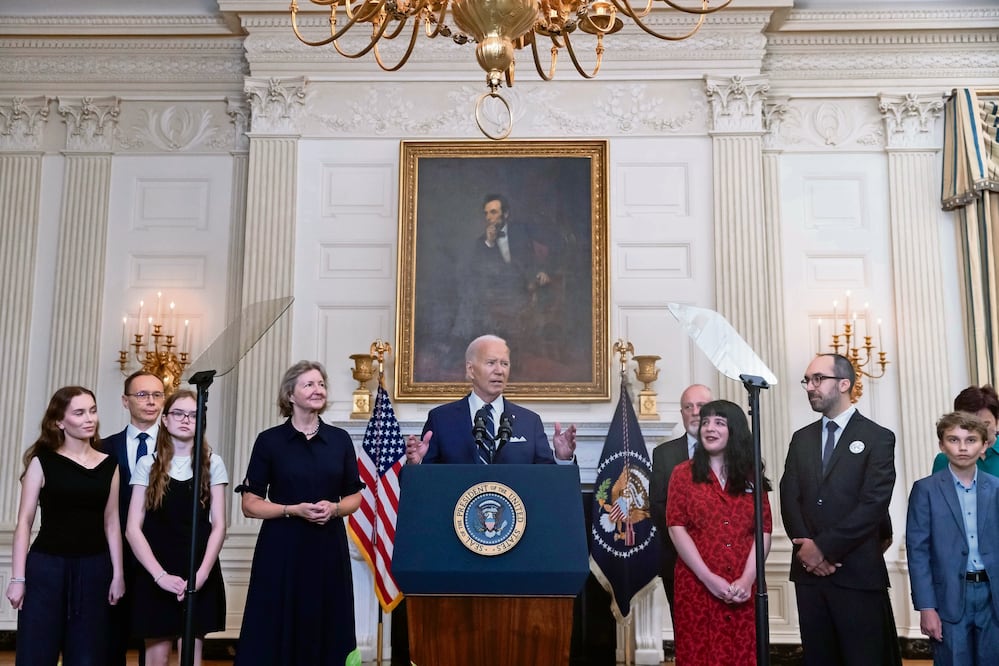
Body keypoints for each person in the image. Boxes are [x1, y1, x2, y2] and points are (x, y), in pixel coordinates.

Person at [234, 360, 365, 666]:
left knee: (327, 621)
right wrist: (291, 510)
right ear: (290, 395)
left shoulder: (340, 440)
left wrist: (335, 508)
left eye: (321, 384)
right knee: (275, 622)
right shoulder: (269, 441)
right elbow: (250, 503)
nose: (318, 390)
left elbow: (354, 497)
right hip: (281, 549)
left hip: (327, 548)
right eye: (309, 384)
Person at [780, 353, 901, 666]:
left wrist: (823, 549)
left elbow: (873, 504)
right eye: (807, 380)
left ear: (844, 384)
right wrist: (806, 549)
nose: (810, 386)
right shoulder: (801, 439)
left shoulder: (877, 437)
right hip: (809, 577)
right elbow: (789, 497)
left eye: (818, 379)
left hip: (857, 572)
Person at [6, 386, 125, 665]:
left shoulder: (110, 464)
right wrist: (18, 578)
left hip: (94, 569)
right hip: (47, 568)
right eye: (79, 413)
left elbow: (111, 522)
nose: (89, 419)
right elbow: (24, 522)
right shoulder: (42, 462)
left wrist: (118, 574)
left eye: (92, 411)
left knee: (88, 656)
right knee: (37, 654)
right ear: (59, 421)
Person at [666, 399, 773, 665]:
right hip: (696, 586)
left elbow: (763, 530)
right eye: (705, 422)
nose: (709, 428)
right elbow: (676, 527)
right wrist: (709, 578)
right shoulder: (682, 474)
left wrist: (747, 579)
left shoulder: (751, 476)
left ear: (734, 430)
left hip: (743, 588)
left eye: (719, 423)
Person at [125, 389, 228, 666]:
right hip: (155, 570)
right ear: (165, 420)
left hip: (197, 568)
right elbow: (133, 528)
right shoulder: (147, 464)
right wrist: (159, 576)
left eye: (193, 415)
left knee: (189, 657)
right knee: (156, 658)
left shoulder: (212, 463)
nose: (185, 419)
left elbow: (219, 526)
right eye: (179, 413)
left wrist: (200, 576)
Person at [906, 411, 999, 665]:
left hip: (992, 596)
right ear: (941, 445)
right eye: (954, 440)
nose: (963, 447)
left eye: (971, 440)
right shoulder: (925, 490)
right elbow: (918, 552)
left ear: (984, 446)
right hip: (949, 597)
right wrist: (926, 607)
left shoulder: (996, 488)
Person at [405, 334, 576, 464]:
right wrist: (416, 465)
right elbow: (422, 486)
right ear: (471, 370)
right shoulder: (441, 419)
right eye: (491, 363)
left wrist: (562, 458)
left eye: (504, 364)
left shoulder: (530, 422)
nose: (499, 371)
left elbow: (548, 481)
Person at [105, 370, 166, 666]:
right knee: (109, 637)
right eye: (142, 395)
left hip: (159, 555)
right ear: (125, 401)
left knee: (154, 639)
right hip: (112, 555)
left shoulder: (179, 448)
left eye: (157, 395)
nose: (151, 401)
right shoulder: (103, 448)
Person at [450, 195, 557, 349]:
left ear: (505, 214)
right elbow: (476, 270)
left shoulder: (522, 231)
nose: (488, 217)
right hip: (495, 290)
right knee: (471, 293)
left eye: (493, 212)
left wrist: (544, 270)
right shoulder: (482, 242)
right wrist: (489, 243)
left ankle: (461, 342)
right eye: (486, 213)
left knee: (472, 298)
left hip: (523, 287)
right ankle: (465, 343)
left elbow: (547, 250)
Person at [649, 383, 712, 627]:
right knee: (686, 630)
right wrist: (687, 547)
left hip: (723, 561)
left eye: (701, 406)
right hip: (676, 561)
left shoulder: (731, 452)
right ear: (682, 413)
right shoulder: (664, 454)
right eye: (688, 407)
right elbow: (658, 506)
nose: (695, 412)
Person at [931, 384, 999, 477]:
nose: (978, 431)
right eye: (969, 427)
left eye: (985, 424)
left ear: (997, 421)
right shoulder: (944, 460)